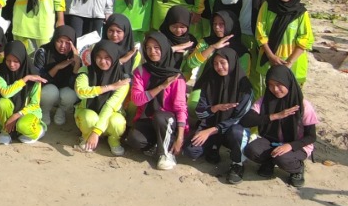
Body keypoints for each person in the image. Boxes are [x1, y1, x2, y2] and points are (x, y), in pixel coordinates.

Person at [242, 64, 317, 187]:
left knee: (282, 158)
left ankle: (297, 169)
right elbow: (246, 120)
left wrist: (290, 146)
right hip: (272, 141)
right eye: (270, 85)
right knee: (251, 150)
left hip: (297, 144)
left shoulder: (303, 106)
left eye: (279, 84)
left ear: (288, 82)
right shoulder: (265, 100)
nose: (275, 89)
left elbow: (311, 137)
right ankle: (269, 162)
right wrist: (275, 116)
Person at [187, 46, 254, 183]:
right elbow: (200, 112)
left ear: (232, 62)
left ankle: (237, 164)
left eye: (223, 63)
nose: (219, 67)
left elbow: (239, 118)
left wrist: (210, 131)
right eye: (215, 63)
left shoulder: (245, 87)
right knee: (191, 151)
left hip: (232, 129)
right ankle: (214, 146)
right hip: (211, 124)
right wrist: (215, 108)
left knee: (237, 132)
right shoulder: (210, 82)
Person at [125, 31, 187, 170]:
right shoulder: (141, 71)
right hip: (148, 118)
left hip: (167, 121)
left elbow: (180, 107)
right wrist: (161, 86)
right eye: (148, 48)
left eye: (157, 47)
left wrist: (180, 137)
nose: (152, 52)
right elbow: (137, 100)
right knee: (134, 139)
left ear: (164, 48)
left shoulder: (176, 76)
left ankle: (166, 154)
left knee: (160, 116)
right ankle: (158, 144)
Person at [255, 0, 313, 87]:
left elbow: (305, 39)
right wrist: (271, 56)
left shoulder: (301, 13)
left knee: (290, 94)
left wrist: (289, 63)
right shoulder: (268, 6)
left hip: (293, 64)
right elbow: (260, 32)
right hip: (269, 61)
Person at [74, 42, 131, 155]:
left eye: (107, 58)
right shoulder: (85, 71)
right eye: (98, 57)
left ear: (114, 58)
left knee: (117, 122)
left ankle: (113, 140)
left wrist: (96, 132)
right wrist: (109, 87)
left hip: (109, 117)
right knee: (89, 118)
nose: (102, 61)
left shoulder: (122, 80)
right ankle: (86, 136)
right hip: (88, 112)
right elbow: (81, 92)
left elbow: (110, 106)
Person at [0, 41, 45, 144]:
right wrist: (25, 79)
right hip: (8, 110)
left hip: (27, 111)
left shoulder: (34, 76)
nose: (11, 64)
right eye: (8, 60)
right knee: (2, 103)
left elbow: (34, 104)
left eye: (16, 61)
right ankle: (6, 132)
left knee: (23, 126)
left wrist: (17, 115)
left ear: (22, 59)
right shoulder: (0, 71)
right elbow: (5, 93)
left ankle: (40, 130)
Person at [34, 25, 81, 128]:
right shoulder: (43, 52)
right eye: (60, 41)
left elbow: (76, 85)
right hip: (48, 89)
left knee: (71, 94)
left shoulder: (75, 56)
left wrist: (77, 64)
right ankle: (45, 110)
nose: (63, 46)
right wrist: (57, 67)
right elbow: (38, 81)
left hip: (64, 90)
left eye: (67, 43)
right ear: (54, 39)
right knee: (51, 91)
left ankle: (62, 110)